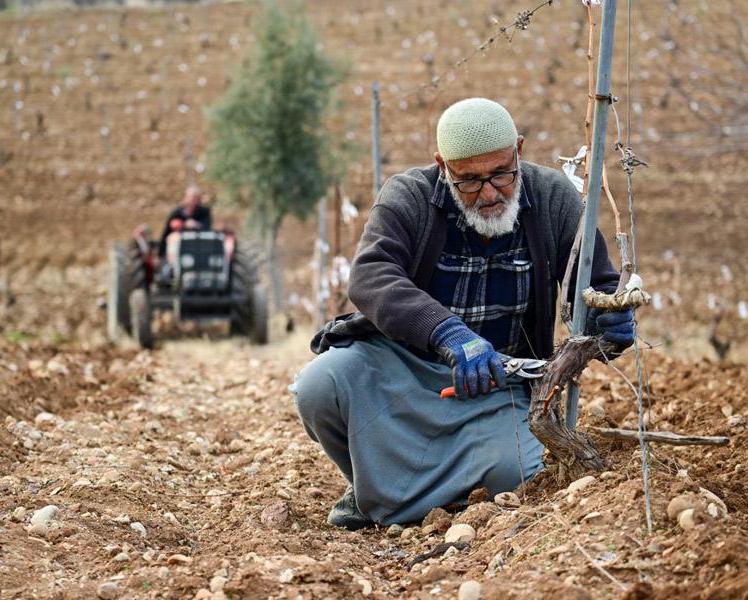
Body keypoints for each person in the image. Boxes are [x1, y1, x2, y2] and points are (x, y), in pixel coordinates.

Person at [289, 98, 635, 530]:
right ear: (442, 165)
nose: (489, 193)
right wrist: (448, 333)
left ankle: (399, 494)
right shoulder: (409, 196)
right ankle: (370, 489)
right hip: (406, 370)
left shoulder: (553, 199)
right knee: (320, 387)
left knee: (522, 476)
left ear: (519, 150)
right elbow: (370, 276)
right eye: (468, 180)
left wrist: (611, 320)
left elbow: (597, 284)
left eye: (500, 174)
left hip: (498, 383)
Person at [158, 185, 212, 259]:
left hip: (199, 252)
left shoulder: (204, 212)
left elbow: (207, 228)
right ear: (185, 197)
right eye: (191, 197)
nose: (193, 200)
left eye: (196, 198)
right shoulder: (177, 213)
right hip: (178, 252)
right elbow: (166, 233)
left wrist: (196, 225)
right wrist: (159, 255)